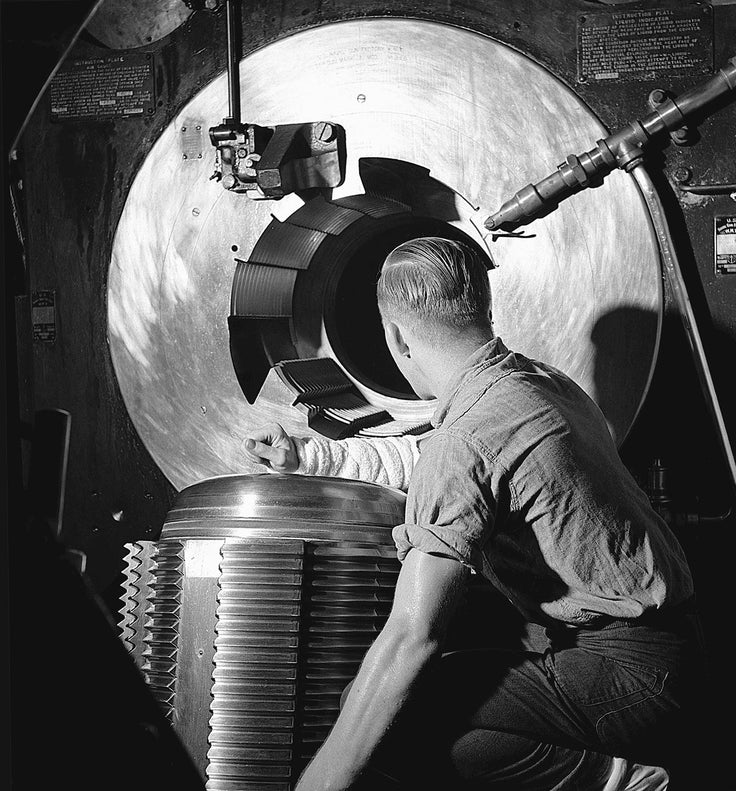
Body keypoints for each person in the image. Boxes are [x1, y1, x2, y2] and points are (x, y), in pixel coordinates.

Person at [243, 237, 704, 791]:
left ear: (395, 336)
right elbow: (449, 459)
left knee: (389, 724)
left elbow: (412, 637)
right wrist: (313, 455)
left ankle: (618, 782)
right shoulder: (539, 385)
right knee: (406, 711)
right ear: (484, 310)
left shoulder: (466, 439)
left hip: (630, 677)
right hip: (672, 650)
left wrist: (315, 787)